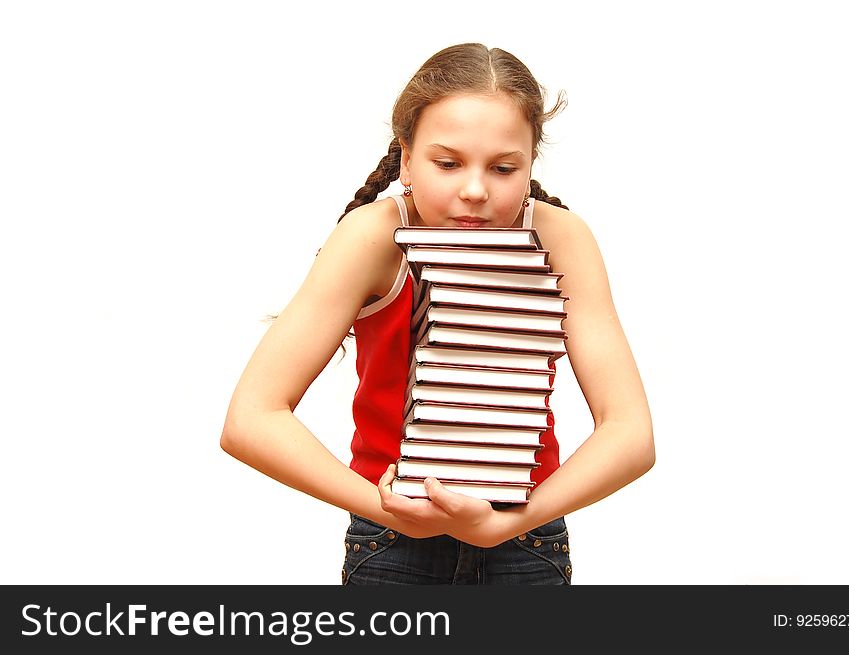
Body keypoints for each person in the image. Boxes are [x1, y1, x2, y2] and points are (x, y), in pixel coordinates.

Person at [220, 43, 654, 585]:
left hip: (527, 540)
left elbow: (631, 434)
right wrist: (384, 509)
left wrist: (511, 522)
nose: (474, 190)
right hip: (393, 544)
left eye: (503, 167)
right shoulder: (374, 238)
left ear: (531, 162)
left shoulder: (561, 241)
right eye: (447, 163)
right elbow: (251, 419)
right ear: (406, 156)